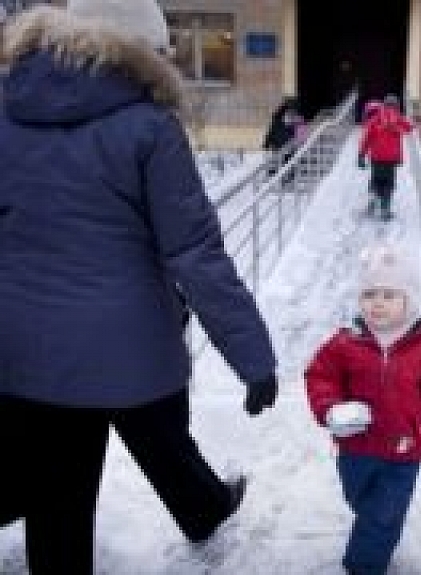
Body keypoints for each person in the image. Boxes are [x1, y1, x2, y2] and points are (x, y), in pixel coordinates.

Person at [0, 2, 278, 573]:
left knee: (61, 491)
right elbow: (195, 253)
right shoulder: (150, 127)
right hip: (131, 342)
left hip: (29, 350)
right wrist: (252, 356)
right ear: (139, 51)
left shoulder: (8, 109)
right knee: (156, 430)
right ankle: (204, 508)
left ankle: (203, 507)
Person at [304, 243, 421, 575]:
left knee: (383, 513)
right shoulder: (346, 343)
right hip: (355, 447)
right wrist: (330, 408)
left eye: (389, 295)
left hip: (404, 452)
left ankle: (364, 565)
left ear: (408, 300)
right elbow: (320, 376)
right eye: (369, 295)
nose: (377, 303)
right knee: (359, 500)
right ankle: (375, 527)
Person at [357, 94, 414, 220]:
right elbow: (409, 128)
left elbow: (366, 138)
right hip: (391, 158)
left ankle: (373, 200)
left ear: (384, 105)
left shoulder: (375, 119)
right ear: (396, 106)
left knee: (376, 179)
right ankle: (385, 209)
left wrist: (361, 155)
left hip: (376, 157)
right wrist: (416, 122)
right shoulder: (398, 118)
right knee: (388, 183)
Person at [263, 96, 307, 178]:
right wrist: (267, 142)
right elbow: (273, 129)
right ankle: (280, 175)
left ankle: (283, 176)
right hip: (282, 144)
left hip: (284, 144)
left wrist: (267, 142)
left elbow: (272, 129)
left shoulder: (294, 118)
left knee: (285, 161)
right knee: (284, 161)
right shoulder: (280, 117)